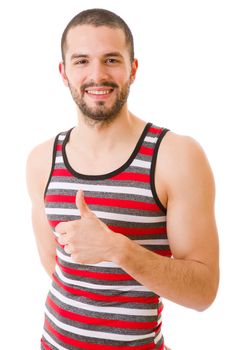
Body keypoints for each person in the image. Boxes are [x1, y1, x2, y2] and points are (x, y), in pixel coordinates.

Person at [26, 8, 219, 350]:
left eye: (111, 59)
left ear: (133, 69)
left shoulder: (176, 157)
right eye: (81, 61)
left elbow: (203, 292)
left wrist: (117, 249)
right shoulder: (42, 159)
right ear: (64, 72)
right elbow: (56, 266)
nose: (97, 75)